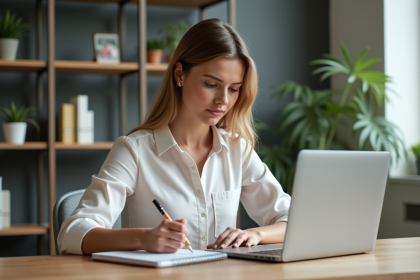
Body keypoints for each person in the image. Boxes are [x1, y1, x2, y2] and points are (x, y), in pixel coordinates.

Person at [58, 18, 291, 255]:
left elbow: (293, 218)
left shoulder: (236, 149)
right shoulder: (134, 150)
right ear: (179, 74)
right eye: (212, 84)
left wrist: (256, 234)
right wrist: (144, 238)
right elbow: (71, 234)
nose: (224, 100)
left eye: (233, 89)